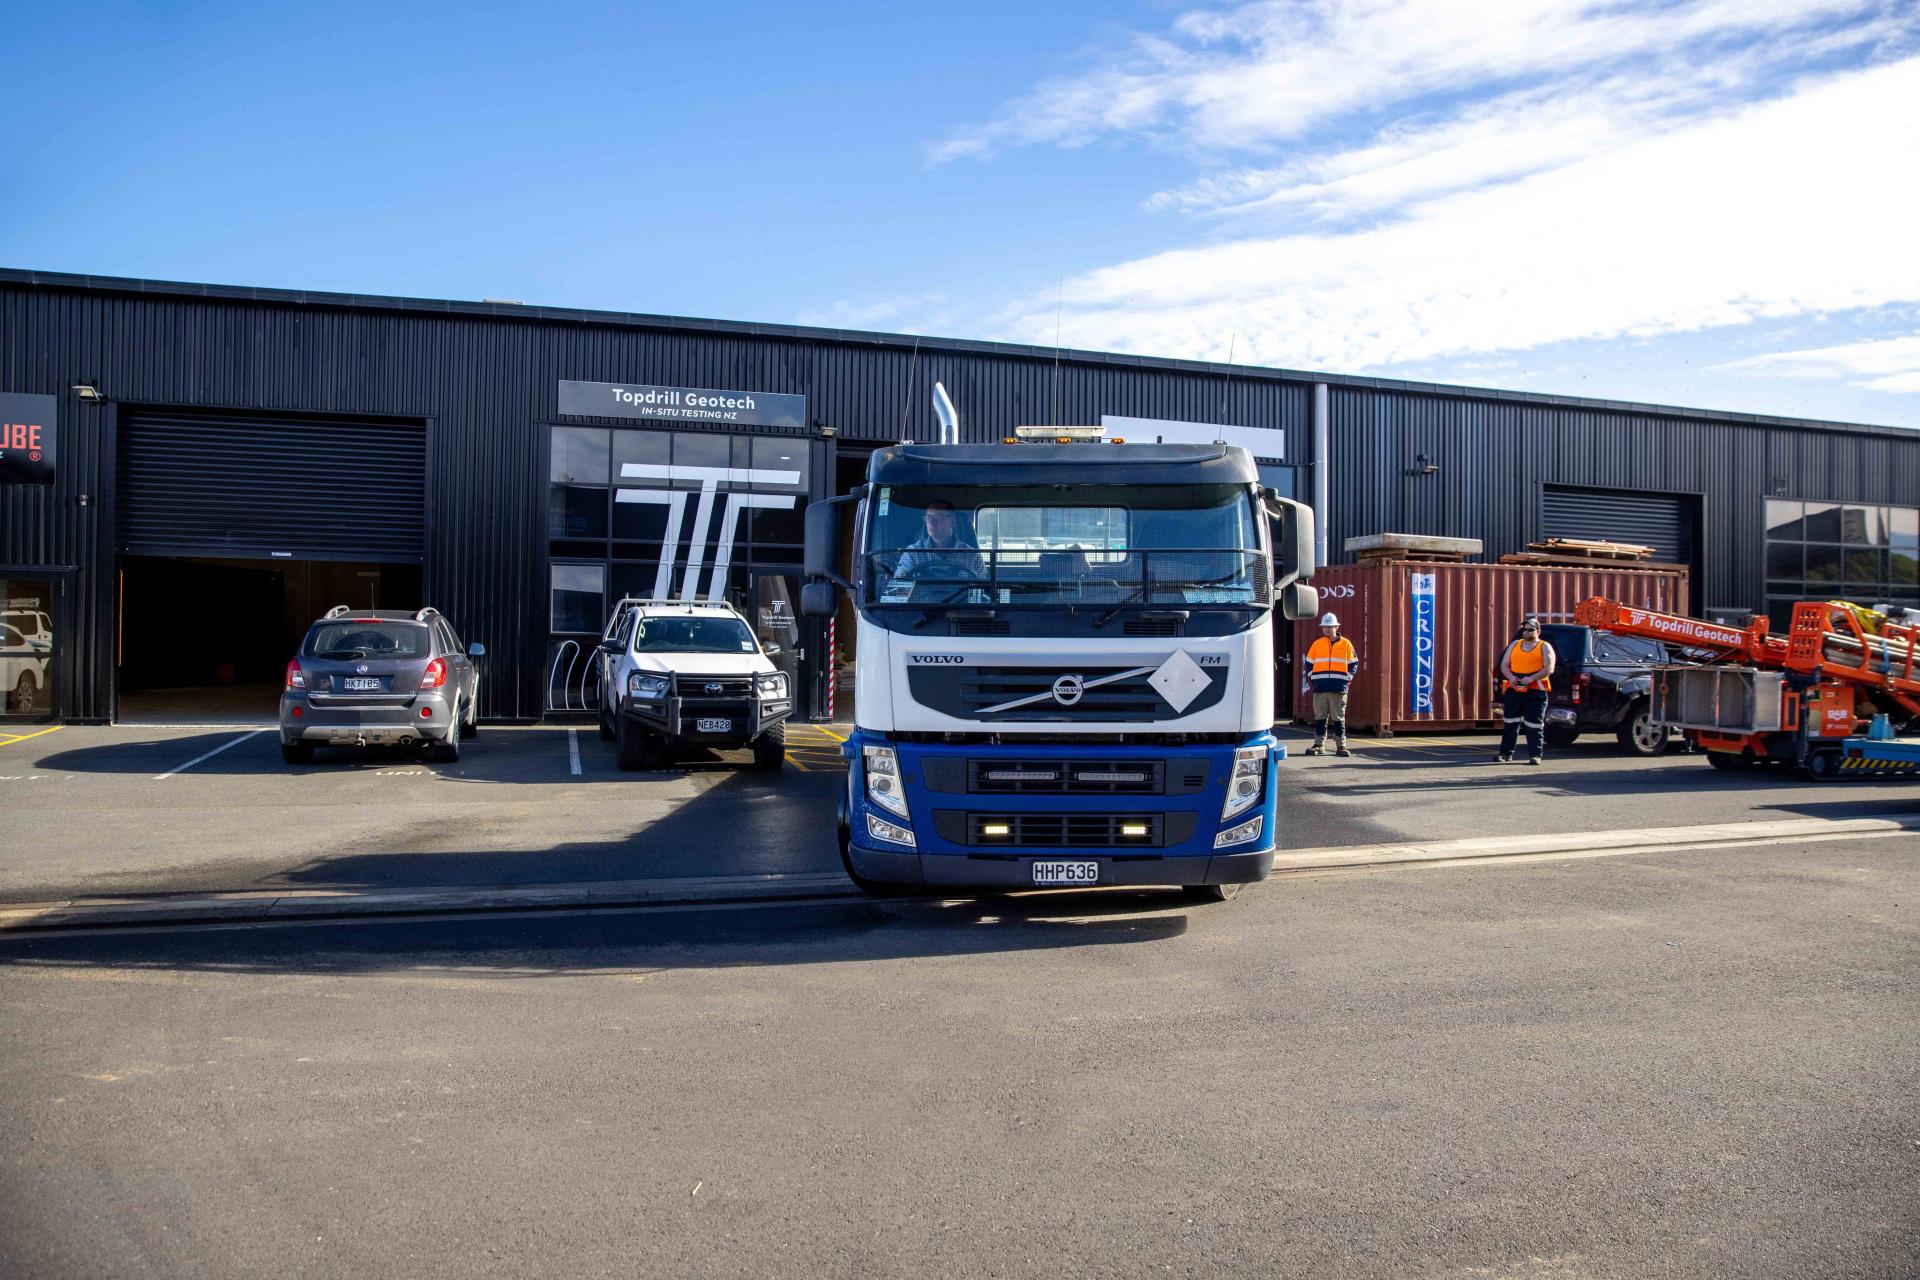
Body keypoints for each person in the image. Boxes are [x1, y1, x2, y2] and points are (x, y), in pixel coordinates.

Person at [1496, 617, 1557, 765]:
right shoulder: (1515, 645)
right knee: (1510, 722)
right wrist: (1511, 677)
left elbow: (1549, 668)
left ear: (1538, 631)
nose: (1527, 632)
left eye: (1531, 630)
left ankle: (1535, 755)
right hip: (1515, 689)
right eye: (1525, 629)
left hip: (1535, 691)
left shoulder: (1544, 646)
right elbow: (1504, 664)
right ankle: (1505, 754)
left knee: (1534, 724)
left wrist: (1531, 678)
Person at [1303, 611, 1359, 757]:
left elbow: (1354, 663)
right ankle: (1319, 745)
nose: (1327, 629)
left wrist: (1347, 679)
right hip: (1320, 688)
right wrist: (1313, 679)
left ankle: (1341, 746)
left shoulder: (1346, 644)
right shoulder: (1317, 644)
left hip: (1338, 688)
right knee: (1320, 718)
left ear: (1336, 627)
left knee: (1338, 718)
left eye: (1330, 626)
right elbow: (1308, 664)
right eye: (1324, 627)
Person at [893, 499, 985, 582]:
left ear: (952, 522)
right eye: (928, 518)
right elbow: (898, 587)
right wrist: (904, 576)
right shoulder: (913, 553)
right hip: (921, 601)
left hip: (961, 601)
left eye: (938, 517)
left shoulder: (972, 556)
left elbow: (983, 593)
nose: (932, 522)